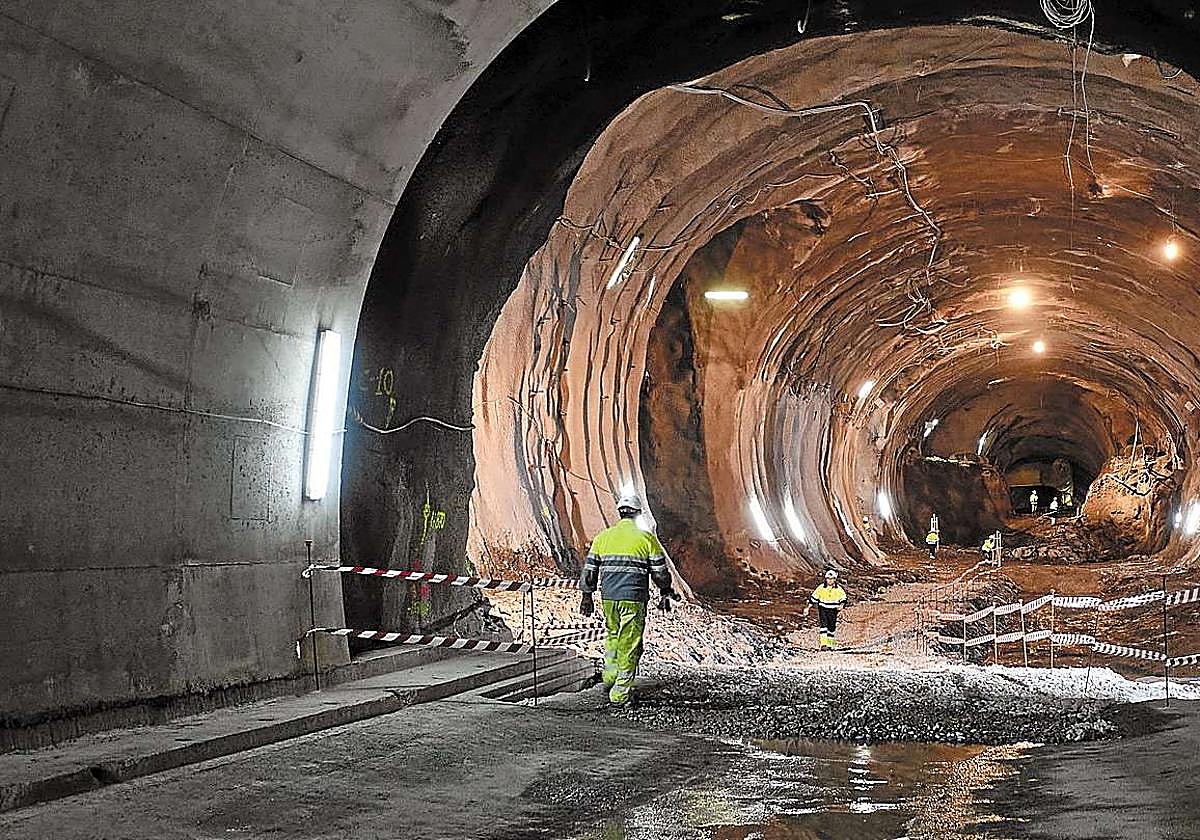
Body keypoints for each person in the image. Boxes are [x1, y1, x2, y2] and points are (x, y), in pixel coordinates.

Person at [579, 494, 677, 706]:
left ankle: (610, 678)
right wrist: (665, 591)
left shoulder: (603, 538)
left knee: (613, 636)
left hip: (609, 598)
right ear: (639, 513)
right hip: (632, 598)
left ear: (620, 513)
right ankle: (620, 694)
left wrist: (587, 596)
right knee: (630, 643)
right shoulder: (646, 539)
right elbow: (660, 573)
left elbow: (589, 571)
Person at [803, 570, 848, 649]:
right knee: (824, 625)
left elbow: (843, 598)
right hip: (823, 608)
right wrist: (807, 608)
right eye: (828, 578)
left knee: (831, 627)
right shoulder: (821, 588)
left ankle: (830, 645)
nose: (830, 580)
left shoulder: (839, 589)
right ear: (826, 579)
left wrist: (841, 605)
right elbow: (813, 598)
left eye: (832, 578)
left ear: (835, 579)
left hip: (833, 610)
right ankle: (823, 644)